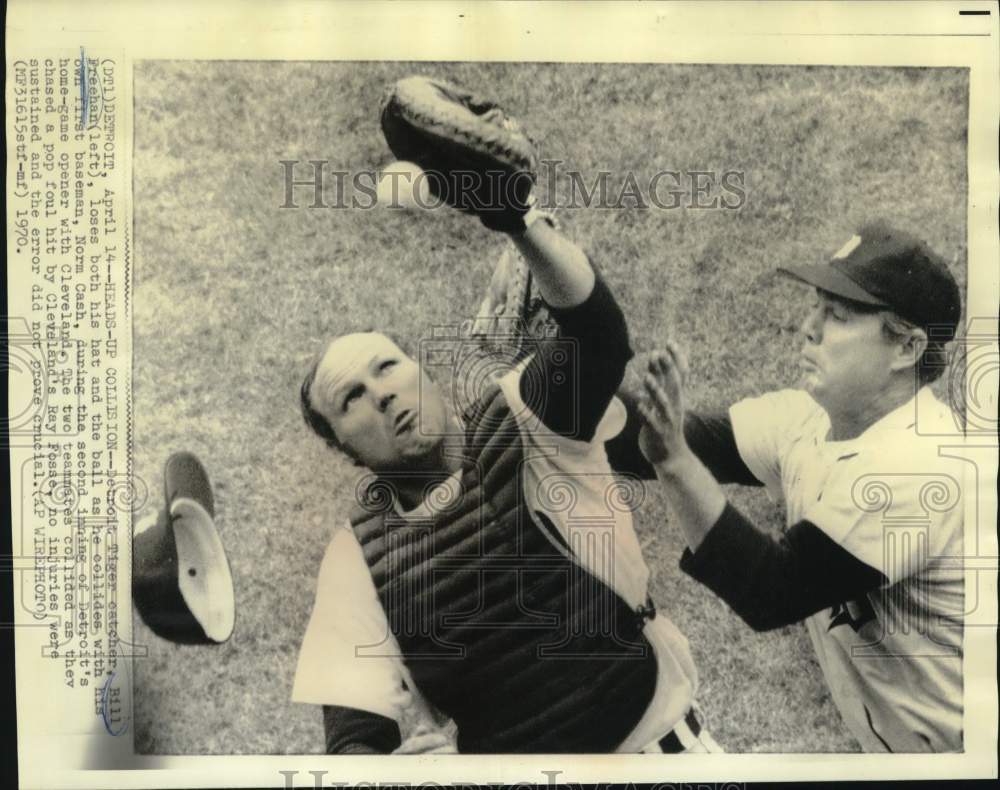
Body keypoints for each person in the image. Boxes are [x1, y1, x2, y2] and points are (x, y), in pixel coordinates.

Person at [292, 205, 718, 754]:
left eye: (387, 367)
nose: (382, 394)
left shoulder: (525, 415)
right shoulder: (354, 561)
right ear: (343, 447)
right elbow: (353, 740)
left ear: (421, 369)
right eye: (352, 398)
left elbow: (599, 336)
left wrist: (516, 220)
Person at [630, 221, 965, 752]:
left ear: (907, 348)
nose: (808, 328)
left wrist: (672, 459)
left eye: (838, 315)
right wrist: (566, 375)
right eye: (816, 307)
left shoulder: (919, 470)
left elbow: (772, 590)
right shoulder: (810, 419)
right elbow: (658, 435)